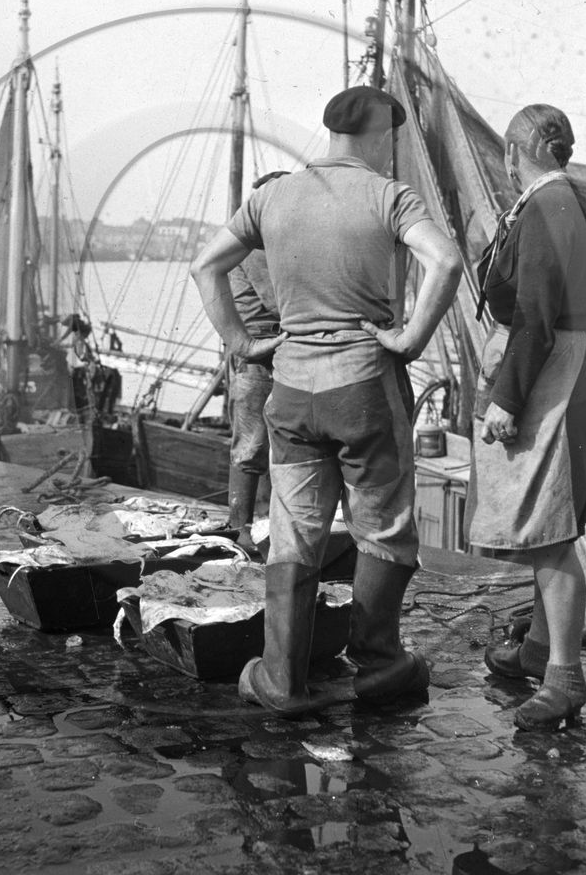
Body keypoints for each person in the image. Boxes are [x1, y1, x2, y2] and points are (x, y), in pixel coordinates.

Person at [191, 85, 462, 715]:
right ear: (378, 133)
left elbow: (206, 266)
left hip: (289, 390)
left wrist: (243, 344)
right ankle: (378, 665)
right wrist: (410, 338)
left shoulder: (273, 196)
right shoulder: (388, 195)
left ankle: (280, 679)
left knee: (293, 532)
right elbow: (444, 262)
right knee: (384, 528)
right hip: (364, 386)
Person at [466, 104, 586, 732]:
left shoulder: (548, 206)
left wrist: (507, 397)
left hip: (555, 371)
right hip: (573, 366)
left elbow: (534, 316)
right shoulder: (564, 201)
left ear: (510, 152)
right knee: (545, 525)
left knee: (552, 535)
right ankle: (534, 651)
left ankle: (565, 679)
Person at [225, 170, 288, 542]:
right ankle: (242, 532)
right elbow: (282, 302)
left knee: (257, 445)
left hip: (263, 356)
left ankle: (247, 528)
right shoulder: (259, 250)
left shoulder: (256, 244)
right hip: (263, 357)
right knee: (252, 446)